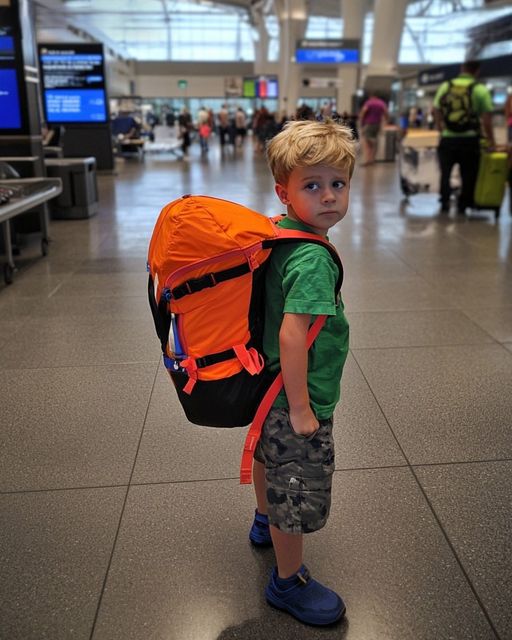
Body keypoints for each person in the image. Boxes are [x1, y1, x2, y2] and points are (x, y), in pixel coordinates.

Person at [248, 119, 356, 626]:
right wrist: (302, 409)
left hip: (265, 385)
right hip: (297, 393)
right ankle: (287, 582)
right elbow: (294, 335)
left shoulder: (281, 232)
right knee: (296, 482)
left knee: (270, 459)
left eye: (338, 184)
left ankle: (262, 521)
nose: (329, 196)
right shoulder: (313, 258)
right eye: (312, 185)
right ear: (284, 191)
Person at [433, 59, 495, 215]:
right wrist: (491, 141)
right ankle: (463, 204)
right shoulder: (480, 89)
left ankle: (444, 202)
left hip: (448, 138)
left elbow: (436, 108)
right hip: (470, 139)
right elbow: (487, 119)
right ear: (477, 71)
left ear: (462, 68)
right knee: (468, 174)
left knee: (445, 172)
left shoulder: (446, 86)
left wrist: (441, 129)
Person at [358, 93, 388, 165]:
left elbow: (363, 111)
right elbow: (386, 112)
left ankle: (367, 160)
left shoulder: (369, 102)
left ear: (371, 97)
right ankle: (372, 159)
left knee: (366, 142)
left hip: (368, 124)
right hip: (377, 124)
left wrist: (360, 121)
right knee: (374, 141)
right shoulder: (381, 103)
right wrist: (386, 120)